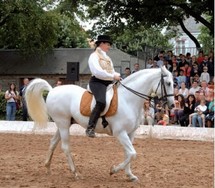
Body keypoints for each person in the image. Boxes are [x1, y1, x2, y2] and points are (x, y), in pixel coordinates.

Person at [86, 35, 121, 138]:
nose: (109, 46)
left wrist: (117, 75)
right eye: (108, 44)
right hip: (97, 82)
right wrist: (112, 76)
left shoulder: (107, 57)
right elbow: (97, 72)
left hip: (109, 82)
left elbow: (112, 70)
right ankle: (90, 127)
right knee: (101, 102)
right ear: (101, 44)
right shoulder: (94, 56)